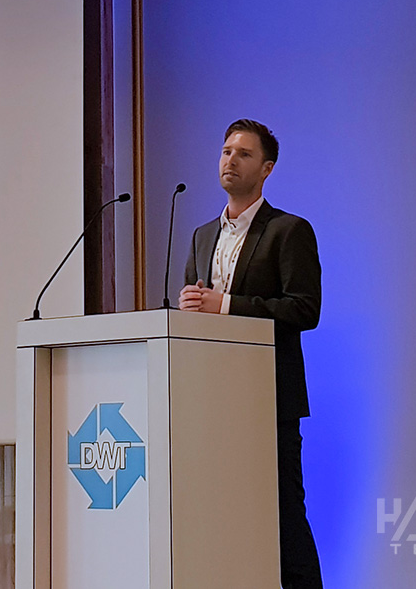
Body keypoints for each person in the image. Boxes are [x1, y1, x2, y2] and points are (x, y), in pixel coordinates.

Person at [178, 119, 322, 589]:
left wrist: (226, 305)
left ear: (266, 168)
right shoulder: (202, 235)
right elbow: (199, 310)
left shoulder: (288, 230)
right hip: (212, 403)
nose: (230, 160)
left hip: (269, 400)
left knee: (284, 517)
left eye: (243, 154)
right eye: (226, 151)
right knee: (223, 517)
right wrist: (189, 309)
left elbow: (304, 309)